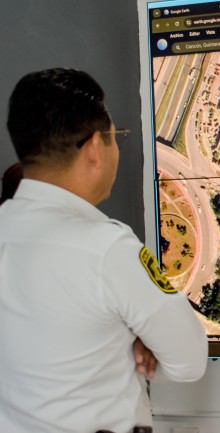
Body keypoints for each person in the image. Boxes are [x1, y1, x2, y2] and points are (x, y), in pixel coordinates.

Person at [0, 68, 208, 433]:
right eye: (116, 138)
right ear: (96, 147)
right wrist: (134, 346)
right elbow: (189, 361)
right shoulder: (106, 249)